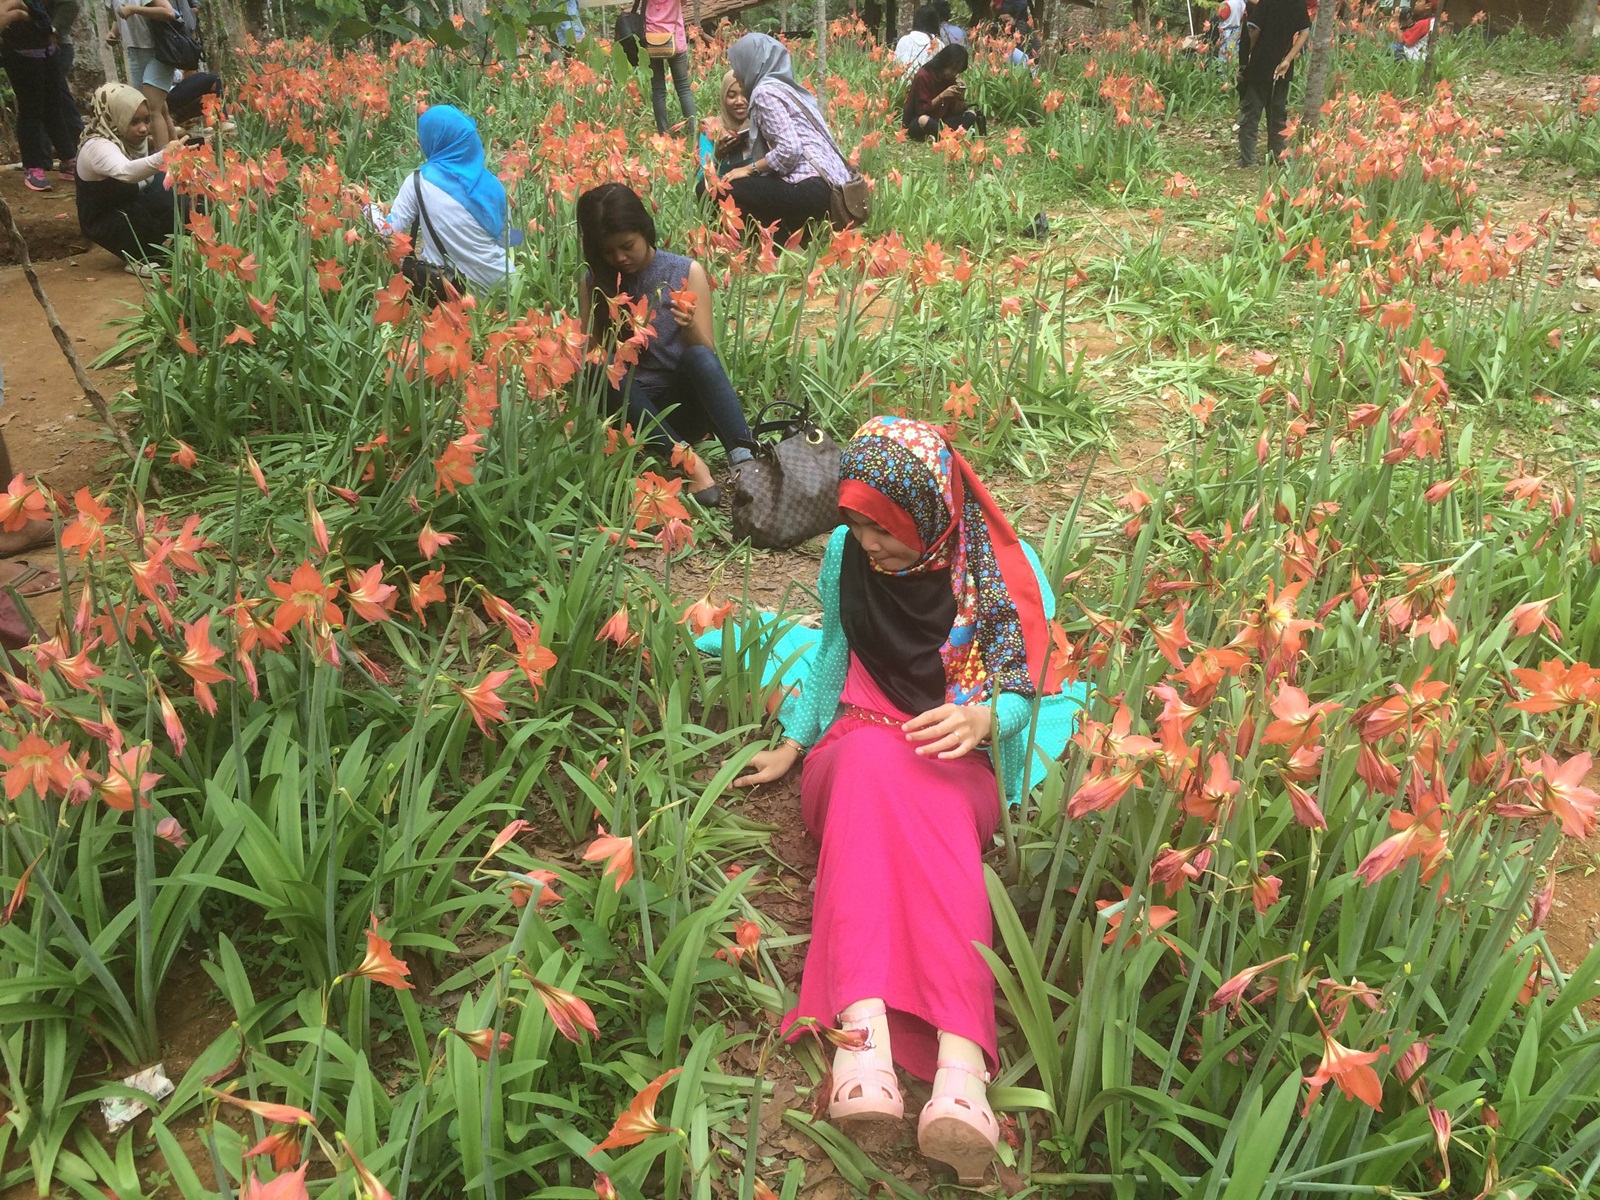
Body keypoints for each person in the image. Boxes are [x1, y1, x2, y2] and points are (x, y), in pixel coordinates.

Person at [733, 416, 1081, 1185]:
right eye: (854, 523)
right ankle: (871, 1042)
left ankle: (960, 1069)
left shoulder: (996, 567)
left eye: (883, 528)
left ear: (928, 514)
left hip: (953, 748)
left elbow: (1024, 687)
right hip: (857, 736)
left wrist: (986, 715)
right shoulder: (842, 556)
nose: (867, 545)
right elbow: (832, 651)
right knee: (864, 768)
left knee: (934, 812)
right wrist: (793, 742)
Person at [576, 183, 755, 504]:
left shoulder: (686, 272)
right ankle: (692, 466)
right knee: (598, 366)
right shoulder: (595, 284)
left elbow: (706, 357)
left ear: (645, 230)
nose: (619, 258)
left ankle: (748, 459)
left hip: (681, 407)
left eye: (627, 245)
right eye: (607, 251)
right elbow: (594, 353)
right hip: (630, 413)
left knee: (698, 356)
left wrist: (687, 327)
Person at [720, 32, 855, 245]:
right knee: (756, 186)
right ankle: (792, 240)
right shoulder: (786, 87)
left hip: (813, 187)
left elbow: (789, 150)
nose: (736, 74)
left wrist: (748, 168)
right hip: (835, 186)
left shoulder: (764, 92)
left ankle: (766, 247)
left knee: (725, 188)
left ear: (752, 62)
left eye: (738, 65)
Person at [370, 105, 514, 294]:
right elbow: (510, 240)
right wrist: (525, 237)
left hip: (447, 289)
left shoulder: (417, 182)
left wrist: (368, 208)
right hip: (503, 288)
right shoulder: (494, 185)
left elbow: (387, 233)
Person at [74, 82, 182, 270]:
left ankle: (152, 249)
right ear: (114, 117)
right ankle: (137, 258)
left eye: (146, 120)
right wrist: (164, 156)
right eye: (134, 122)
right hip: (107, 220)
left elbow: (145, 179)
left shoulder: (126, 140)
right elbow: (127, 172)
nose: (143, 128)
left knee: (180, 196)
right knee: (164, 200)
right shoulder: (97, 146)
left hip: (128, 207)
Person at [2, 0, 78, 191]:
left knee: (54, 105)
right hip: (20, 51)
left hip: (45, 48)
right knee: (30, 109)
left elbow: (70, 5)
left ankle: (68, 160)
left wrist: (52, 31)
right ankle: (33, 167)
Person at [1236, 0, 1310, 168]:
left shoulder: (1266, 2)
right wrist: (1288, 60)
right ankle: (1279, 157)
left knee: (1251, 114)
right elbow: (1304, 33)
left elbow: (1254, 31)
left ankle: (1248, 161)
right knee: (1277, 115)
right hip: (1282, 67)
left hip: (1259, 66)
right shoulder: (1298, 3)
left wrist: (1248, 56)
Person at [109, 0, 181, 149]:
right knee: (159, 108)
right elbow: (117, 18)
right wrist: (113, 32)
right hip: (134, 51)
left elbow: (169, 12)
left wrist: (134, 9)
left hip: (160, 51)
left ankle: (162, 163)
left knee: (151, 108)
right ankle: (179, 153)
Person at [903, 45, 985, 139]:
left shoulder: (950, 78)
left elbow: (956, 111)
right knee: (924, 120)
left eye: (957, 71)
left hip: (943, 121)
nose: (954, 74)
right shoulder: (923, 76)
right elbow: (921, 110)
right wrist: (942, 96)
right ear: (944, 63)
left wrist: (960, 96)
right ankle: (947, 136)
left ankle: (942, 135)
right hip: (921, 120)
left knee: (971, 114)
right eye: (953, 69)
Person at [696, 70, 753, 193]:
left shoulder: (761, 122)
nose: (739, 101)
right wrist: (717, 155)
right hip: (723, 187)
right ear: (723, 97)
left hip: (755, 185)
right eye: (732, 96)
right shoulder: (710, 127)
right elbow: (702, 178)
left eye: (745, 95)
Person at [645, 0, 695, 137]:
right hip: (675, 38)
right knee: (684, 88)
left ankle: (663, 135)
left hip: (651, 39)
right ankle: (693, 133)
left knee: (658, 89)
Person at [893, 4, 943, 76]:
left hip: (904, 85)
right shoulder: (939, 44)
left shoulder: (903, 41)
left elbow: (895, 65)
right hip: (928, 86)